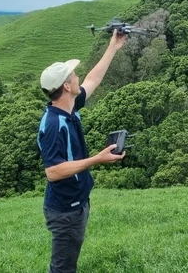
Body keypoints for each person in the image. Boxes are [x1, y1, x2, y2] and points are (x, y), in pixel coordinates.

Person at [37, 29, 127, 273]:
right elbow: (53, 172)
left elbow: (93, 80)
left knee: (67, 263)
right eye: (74, 75)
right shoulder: (55, 124)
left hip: (76, 203)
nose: (78, 77)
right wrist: (97, 159)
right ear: (66, 86)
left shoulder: (69, 106)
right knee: (63, 268)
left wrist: (113, 47)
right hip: (65, 209)